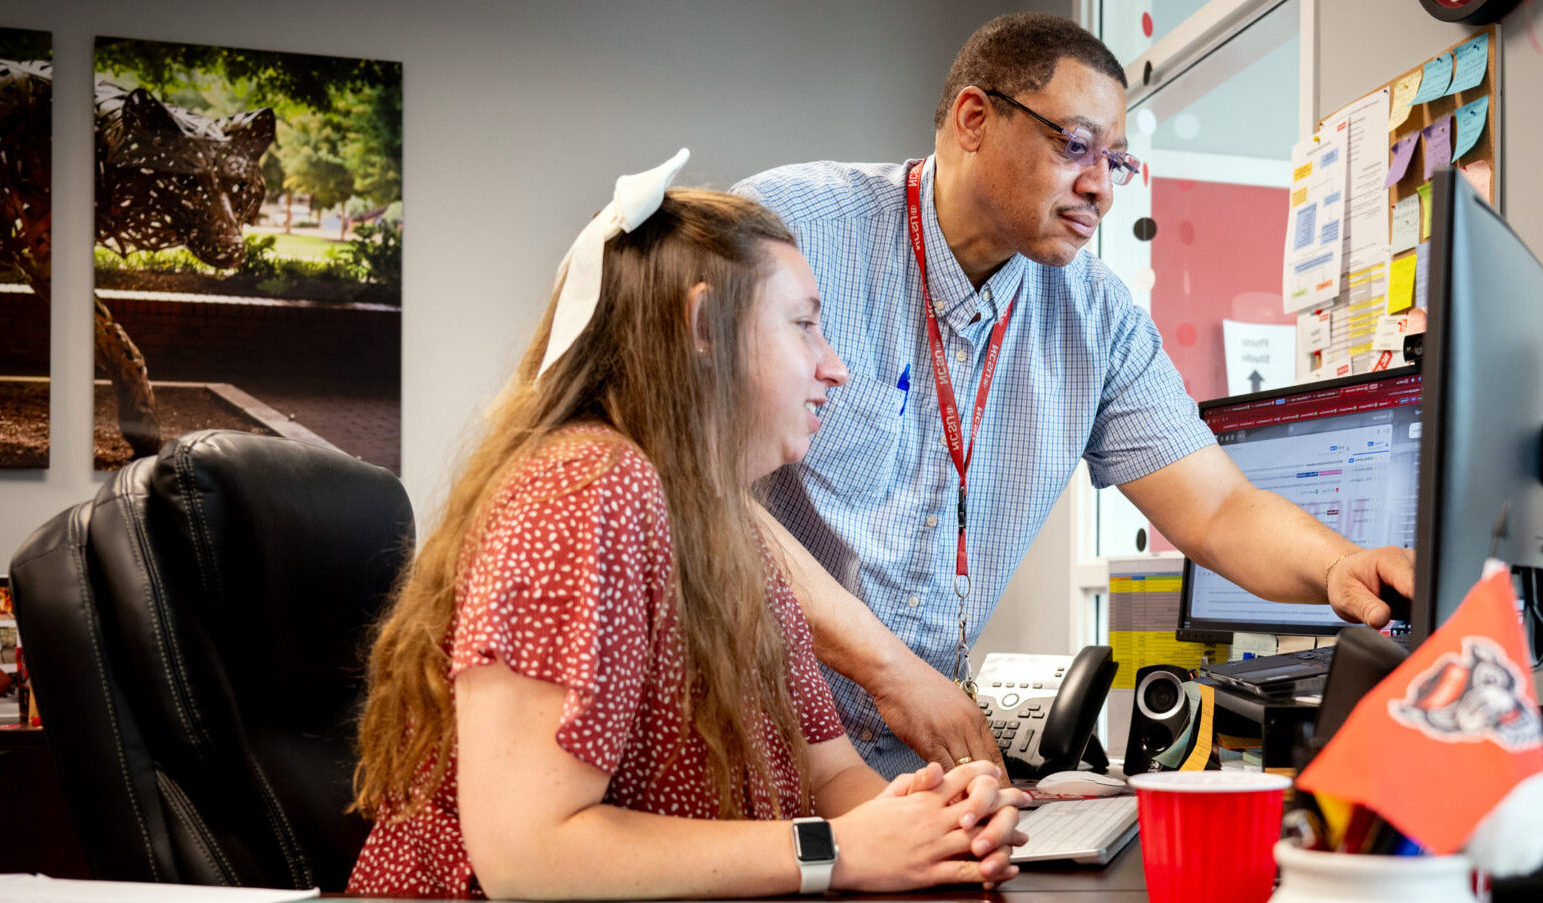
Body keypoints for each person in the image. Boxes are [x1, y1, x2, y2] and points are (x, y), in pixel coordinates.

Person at [733, 13, 1417, 779]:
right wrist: (889, 667)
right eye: (1075, 146)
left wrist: (1338, 566)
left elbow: (1218, 509)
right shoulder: (797, 232)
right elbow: (686, 482)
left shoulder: (1096, 316)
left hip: (904, 760)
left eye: (1115, 161)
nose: (1099, 186)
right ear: (973, 120)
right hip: (734, 732)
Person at [346, 151, 1027, 900]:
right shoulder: (583, 489)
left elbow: (829, 772)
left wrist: (940, 826)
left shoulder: (722, 520)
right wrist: (831, 850)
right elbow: (527, 855)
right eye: (803, 325)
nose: (833, 366)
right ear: (704, 324)